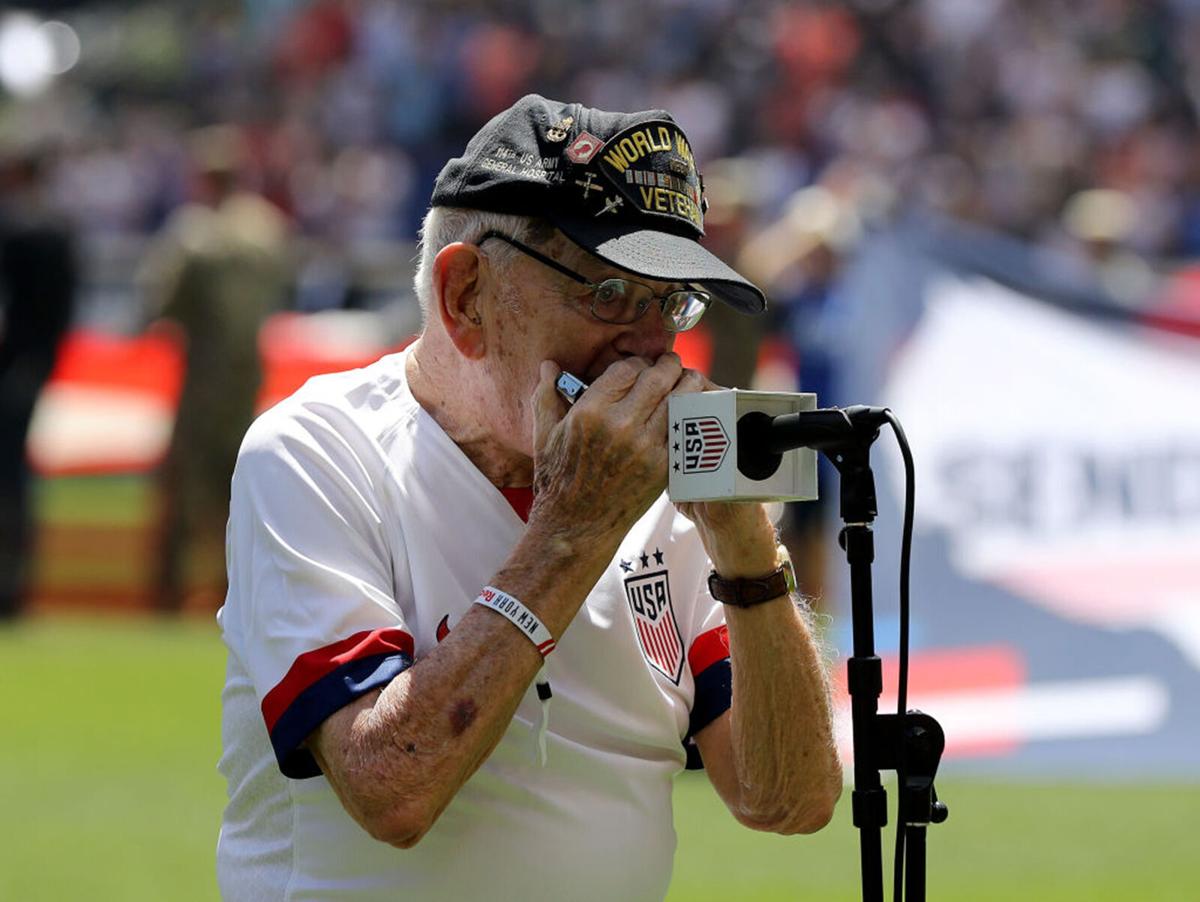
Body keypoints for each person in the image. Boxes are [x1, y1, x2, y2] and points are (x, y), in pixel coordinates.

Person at [217, 95, 842, 901]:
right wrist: (574, 528)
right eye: (610, 295)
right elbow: (390, 791)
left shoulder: (668, 494)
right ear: (467, 295)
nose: (651, 348)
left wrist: (748, 553)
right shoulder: (314, 452)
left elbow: (789, 801)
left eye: (671, 303)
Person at [140, 125, 289, 612]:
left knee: (182, 485)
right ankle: (241, 592)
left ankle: (167, 594)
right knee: (241, 488)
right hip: (248, 375)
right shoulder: (269, 231)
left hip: (202, 377)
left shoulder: (195, 235)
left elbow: (160, 307)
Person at [0, 149, 77, 621]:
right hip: (39, 364)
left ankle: (9, 583)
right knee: (15, 476)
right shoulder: (59, 230)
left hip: (11, 368)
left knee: (8, 477)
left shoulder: (15, 230)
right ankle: (17, 580)